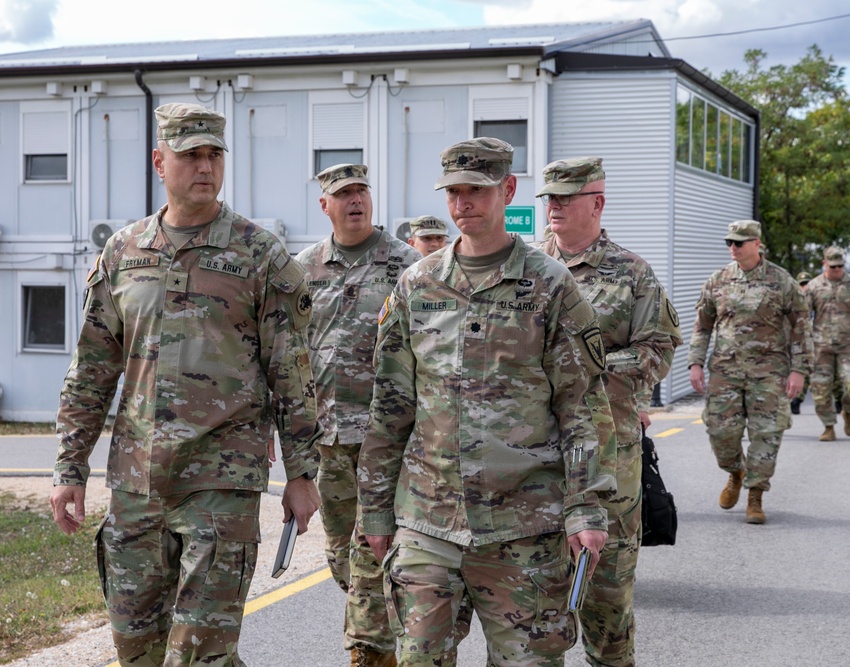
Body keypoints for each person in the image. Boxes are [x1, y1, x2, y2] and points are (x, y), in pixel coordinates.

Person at [49, 102, 321, 666]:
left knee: (200, 654)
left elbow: (290, 372)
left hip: (221, 482)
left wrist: (303, 473)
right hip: (136, 483)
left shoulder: (258, 253)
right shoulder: (124, 252)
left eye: (214, 154)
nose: (204, 167)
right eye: (190, 154)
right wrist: (69, 468)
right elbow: (93, 368)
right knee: (137, 648)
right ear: (159, 161)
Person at [357, 137, 614, 666]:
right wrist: (376, 513)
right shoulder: (417, 285)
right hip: (428, 518)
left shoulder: (549, 285)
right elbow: (389, 410)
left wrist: (586, 507)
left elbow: (580, 406)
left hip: (526, 525)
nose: (461, 204)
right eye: (453, 191)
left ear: (508, 190)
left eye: (476, 190)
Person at [534, 156, 682, 667]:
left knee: (606, 606)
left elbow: (658, 349)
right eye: (549, 198)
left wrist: (583, 364)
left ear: (596, 203)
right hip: (534, 462)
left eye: (565, 198)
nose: (553, 207)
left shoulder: (632, 273)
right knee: (532, 613)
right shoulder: (527, 268)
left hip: (608, 460)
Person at [295, 164, 422, 666]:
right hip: (328, 439)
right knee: (343, 558)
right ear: (324, 206)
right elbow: (289, 352)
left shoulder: (407, 266)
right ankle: (383, 628)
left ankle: (370, 650)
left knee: (374, 552)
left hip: (387, 441)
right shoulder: (302, 270)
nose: (354, 201)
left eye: (361, 191)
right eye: (342, 194)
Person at [687, 220, 813, 524]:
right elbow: (702, 326)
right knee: (720, 432)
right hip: (725, 371)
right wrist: (695, 362)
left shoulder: (782, 282)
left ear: (756, 243)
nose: (733, 247)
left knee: (767, 434)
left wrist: (799, 370)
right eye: (730, 242)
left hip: (769, 372)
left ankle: (755, 495)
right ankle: (735, 472)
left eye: (739, 242)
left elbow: (801, 328)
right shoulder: (717, 281)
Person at [804, 247, 850, 441]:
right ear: (824, 264)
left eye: (840, 266)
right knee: (820, 388)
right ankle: (828, 426)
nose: (836, 269)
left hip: (849, 344)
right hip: (821, 346)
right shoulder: (813, 286)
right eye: (832, 266)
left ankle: (848, 411)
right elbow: (801, 313)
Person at [791, 271, 813, 415]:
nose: (805, 287)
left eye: (807, 284)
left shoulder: (816, 295)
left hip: (817, 338)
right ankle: (796, 399)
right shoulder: (794, 298)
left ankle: (837, 400)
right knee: (802, 369)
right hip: (799, 339)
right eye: (802, 284)